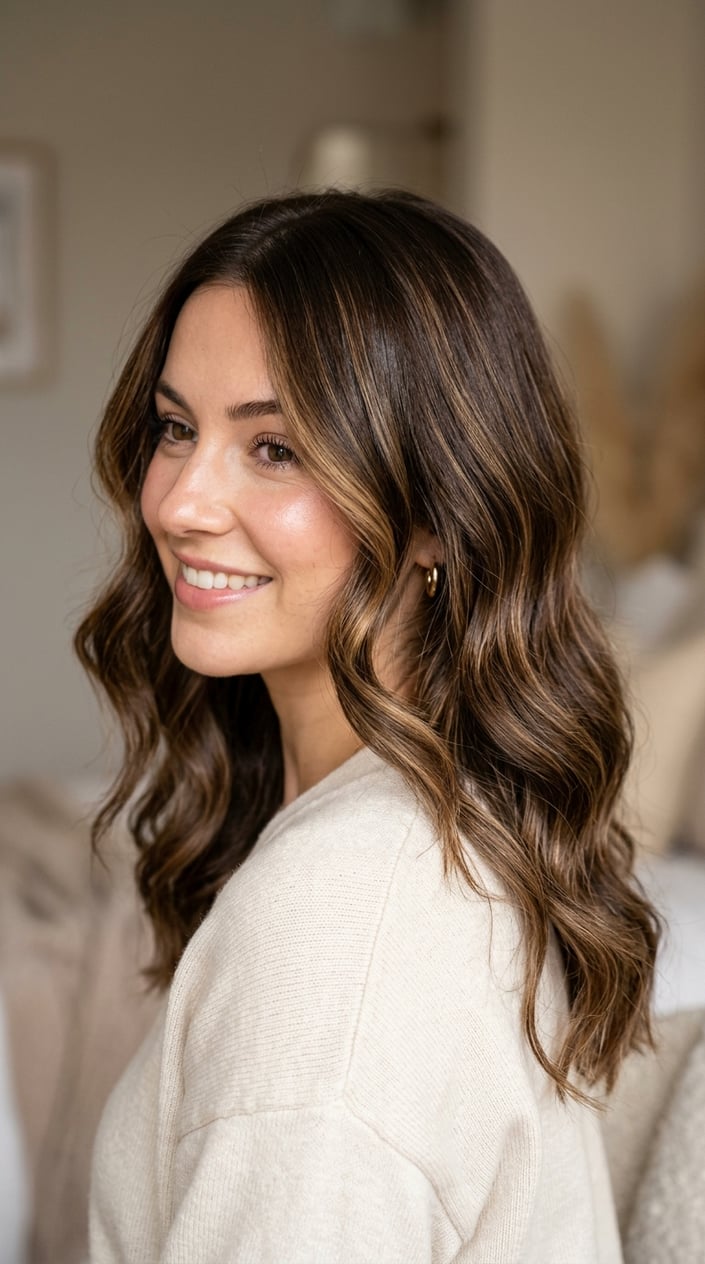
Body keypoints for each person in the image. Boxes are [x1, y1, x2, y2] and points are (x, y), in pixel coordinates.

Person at [76, 189, 659, 1263]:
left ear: (438, 513)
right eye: (175, 428)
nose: (179, 501)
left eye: (276, 448)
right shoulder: (428, 824)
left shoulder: (337, 926)